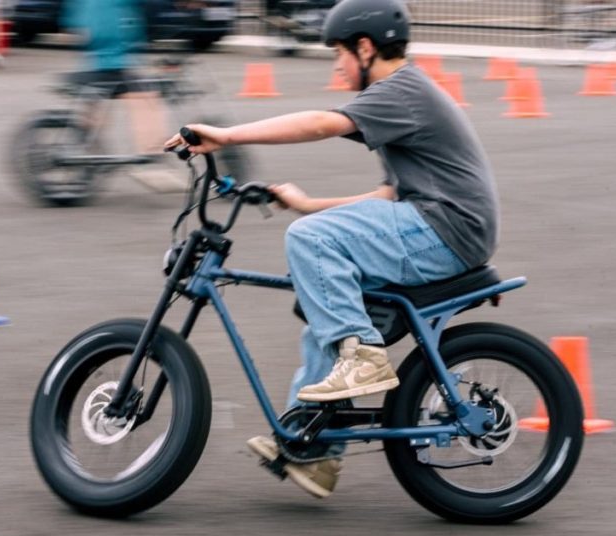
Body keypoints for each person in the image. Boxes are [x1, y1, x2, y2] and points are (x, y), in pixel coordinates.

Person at [165, 0, 499, 499]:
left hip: (445, 228)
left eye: (338, 53)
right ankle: (315, 450)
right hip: (442, 225)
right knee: (324, 312)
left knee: (311, 241)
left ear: (365, 48)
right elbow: (390, 194)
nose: (336, 65)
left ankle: (361, 358)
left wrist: (227, 135)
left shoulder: (401, 89)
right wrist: (308, 203)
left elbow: (322, 123)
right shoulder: (406, 96)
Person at [64, 0, 183, 191]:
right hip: (113, 62)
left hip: (91, 62)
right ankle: (151, 160)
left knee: (95, 115)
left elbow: (72, 24)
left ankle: (84, 151)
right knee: (147, 96)